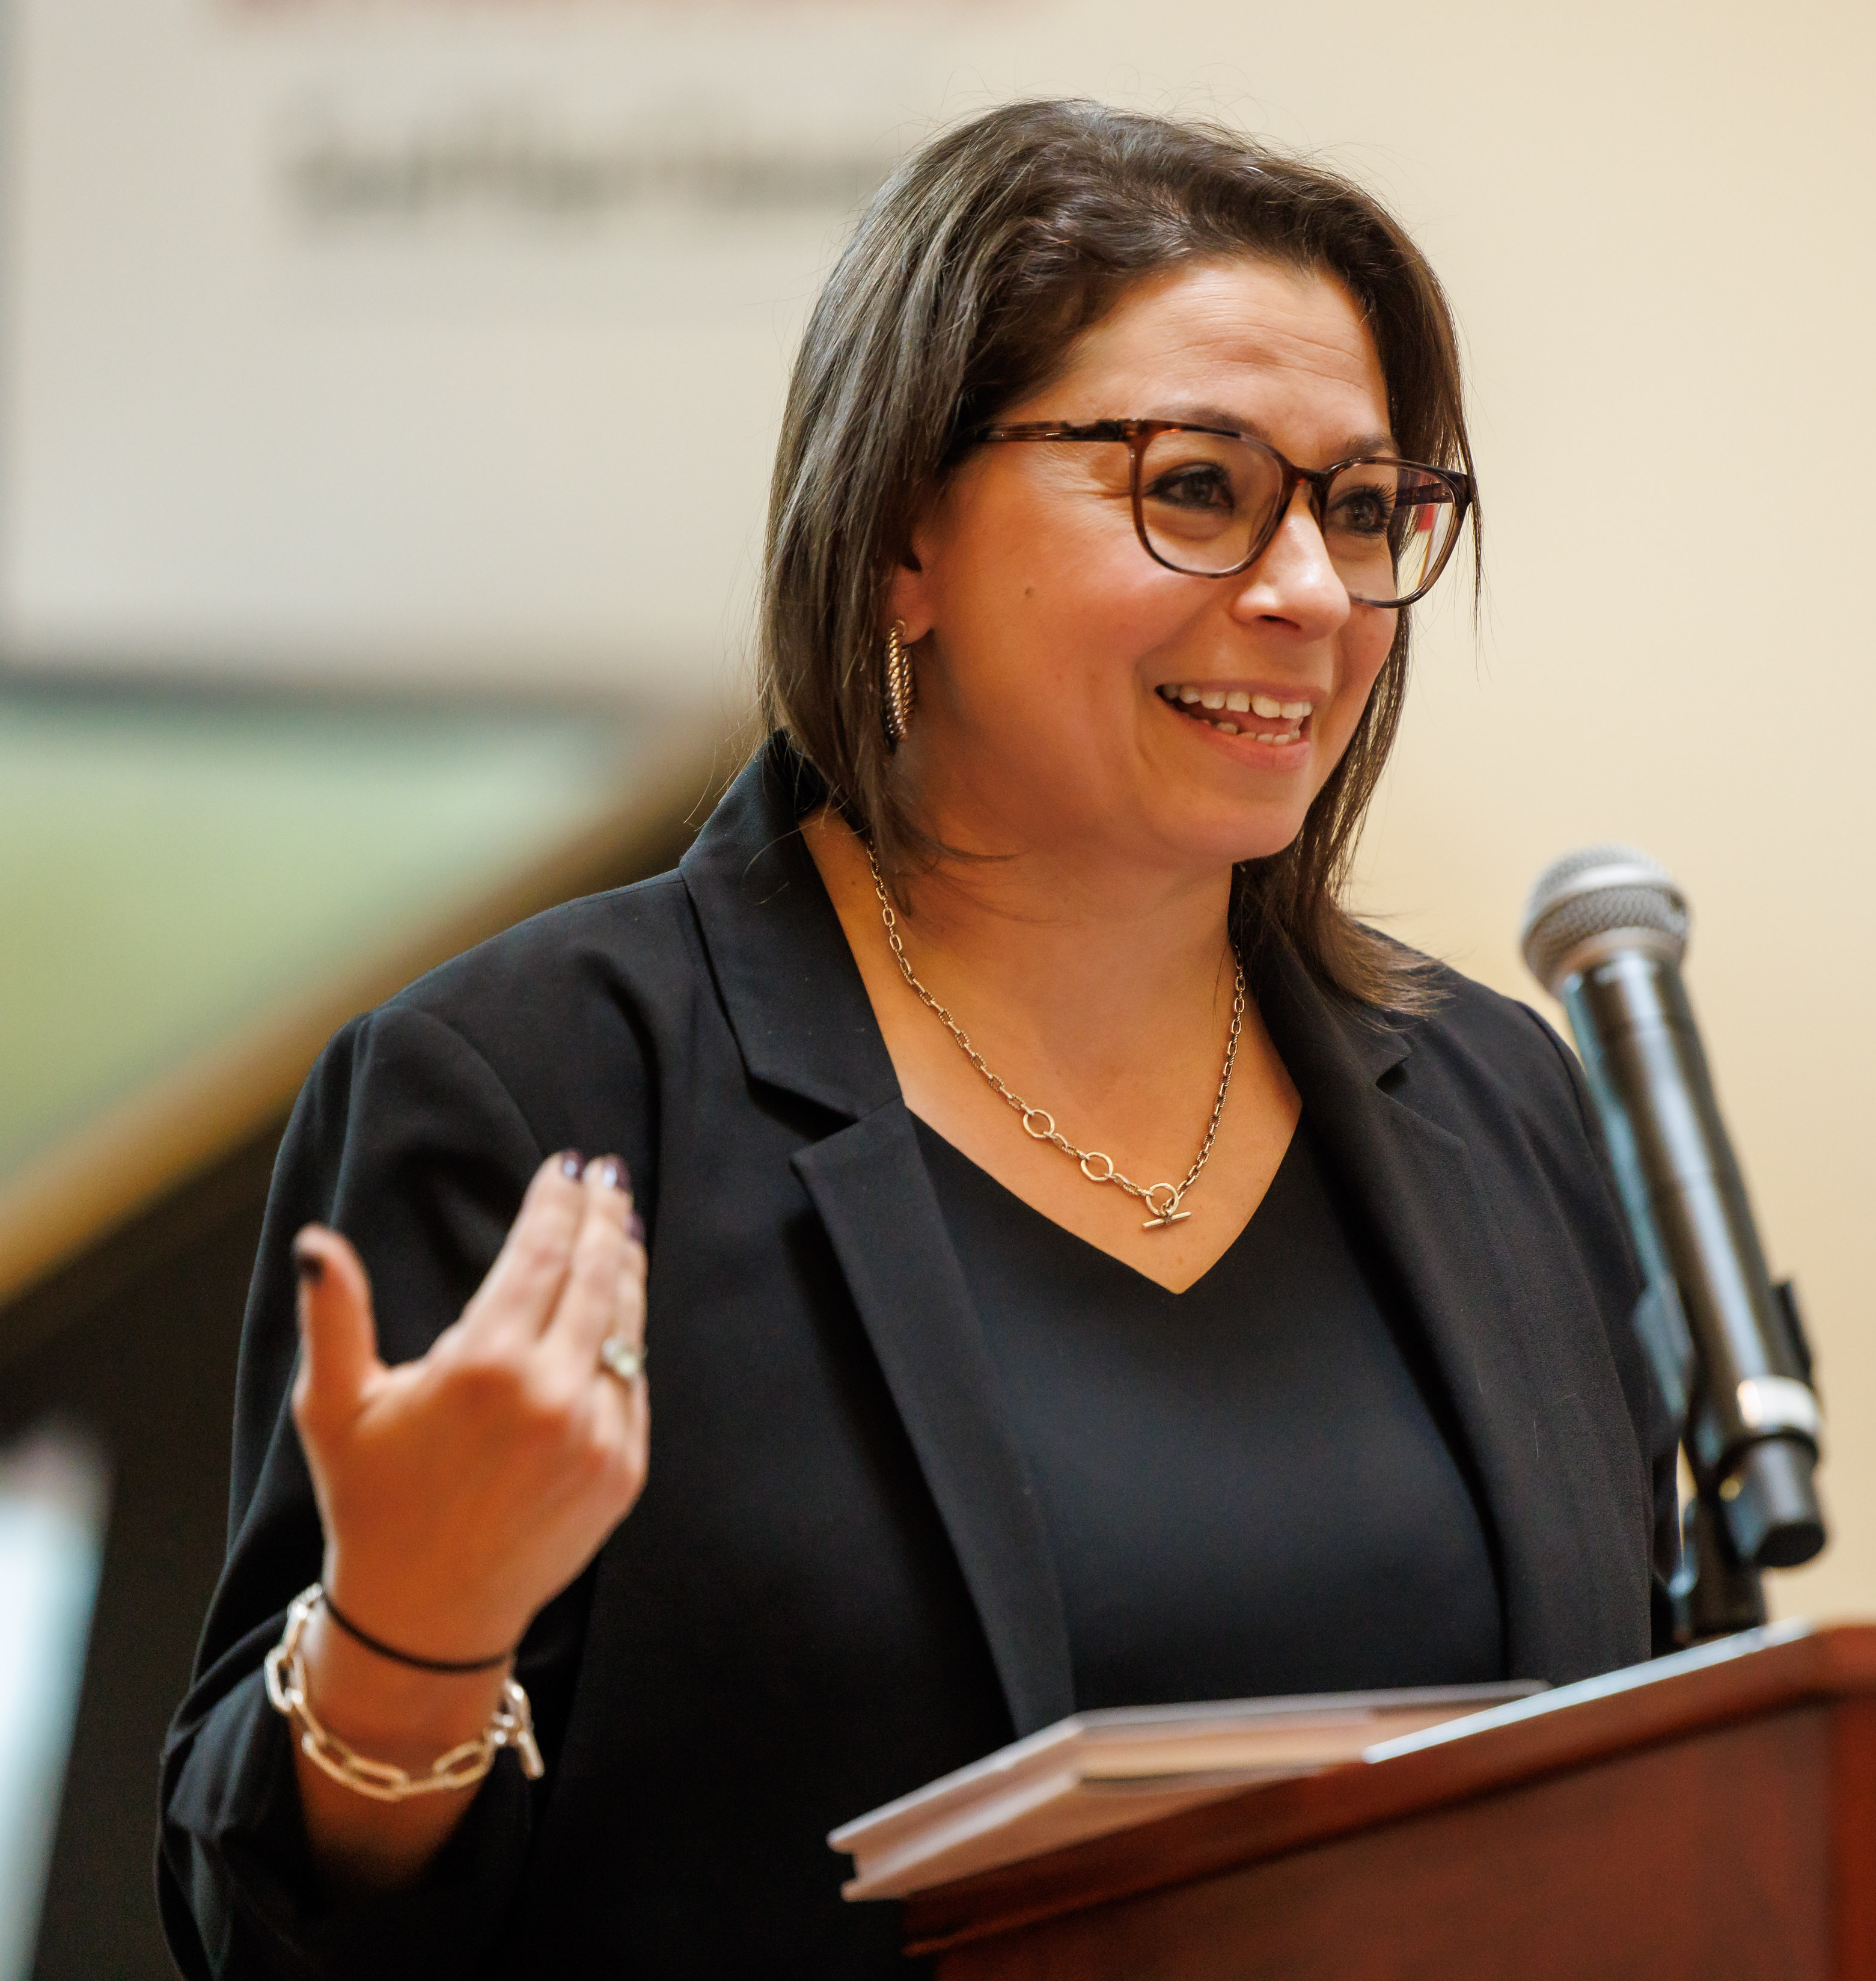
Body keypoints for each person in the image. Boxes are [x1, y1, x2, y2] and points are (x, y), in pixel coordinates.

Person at [159, 99, 1675, 1978]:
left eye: (1364, 510)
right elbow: (262, 1936)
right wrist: (410, 1641)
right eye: (1198, 487)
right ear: (900, 542)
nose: (1306, 594)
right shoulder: (543, 1086)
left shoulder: (1496, 1101)